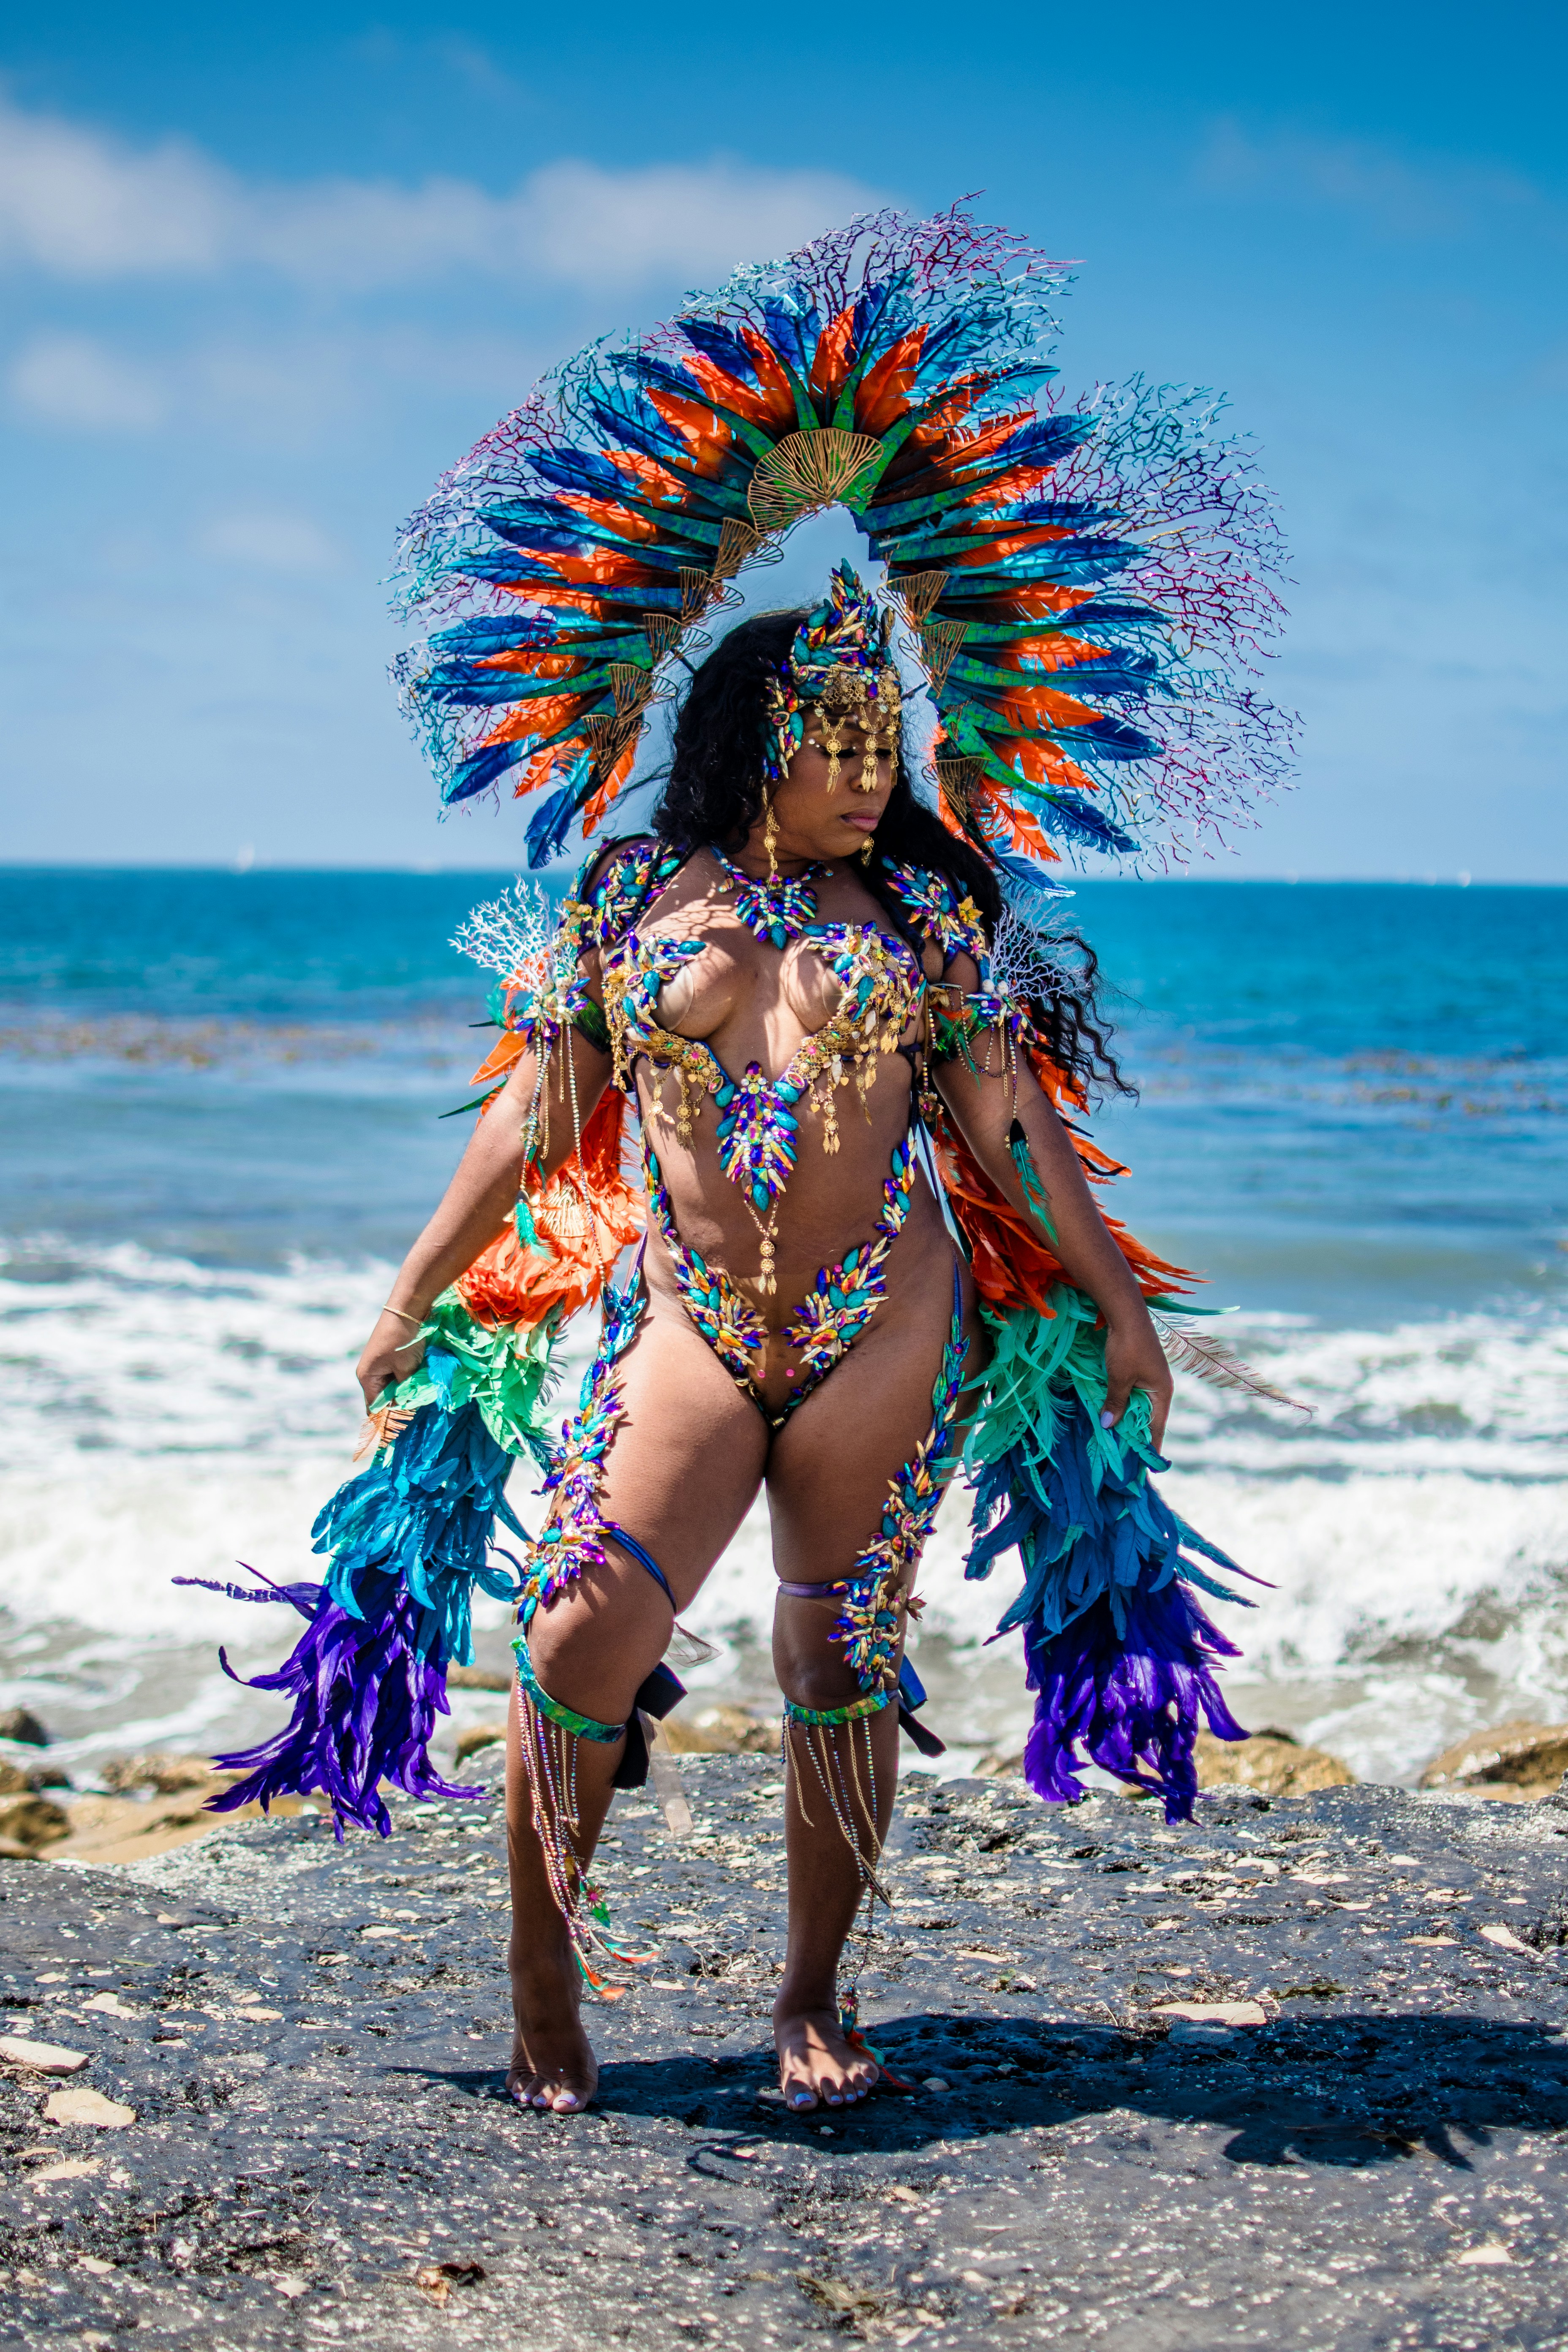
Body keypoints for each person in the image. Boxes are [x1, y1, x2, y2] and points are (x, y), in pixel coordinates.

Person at [190, 205, 1288, 2121]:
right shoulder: (630, 899)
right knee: (577, 1634)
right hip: (690, 1318)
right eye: (838, 743)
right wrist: (409, 1296)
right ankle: (548, 1990)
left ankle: (813, 1996)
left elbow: (1009, 1127)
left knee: (842, 1655)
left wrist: (1122, 1308)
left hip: (885, 1319)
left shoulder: (930, 915)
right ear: (756, 738)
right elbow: (538, 1113)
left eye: (886, 744)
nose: (874, 773)